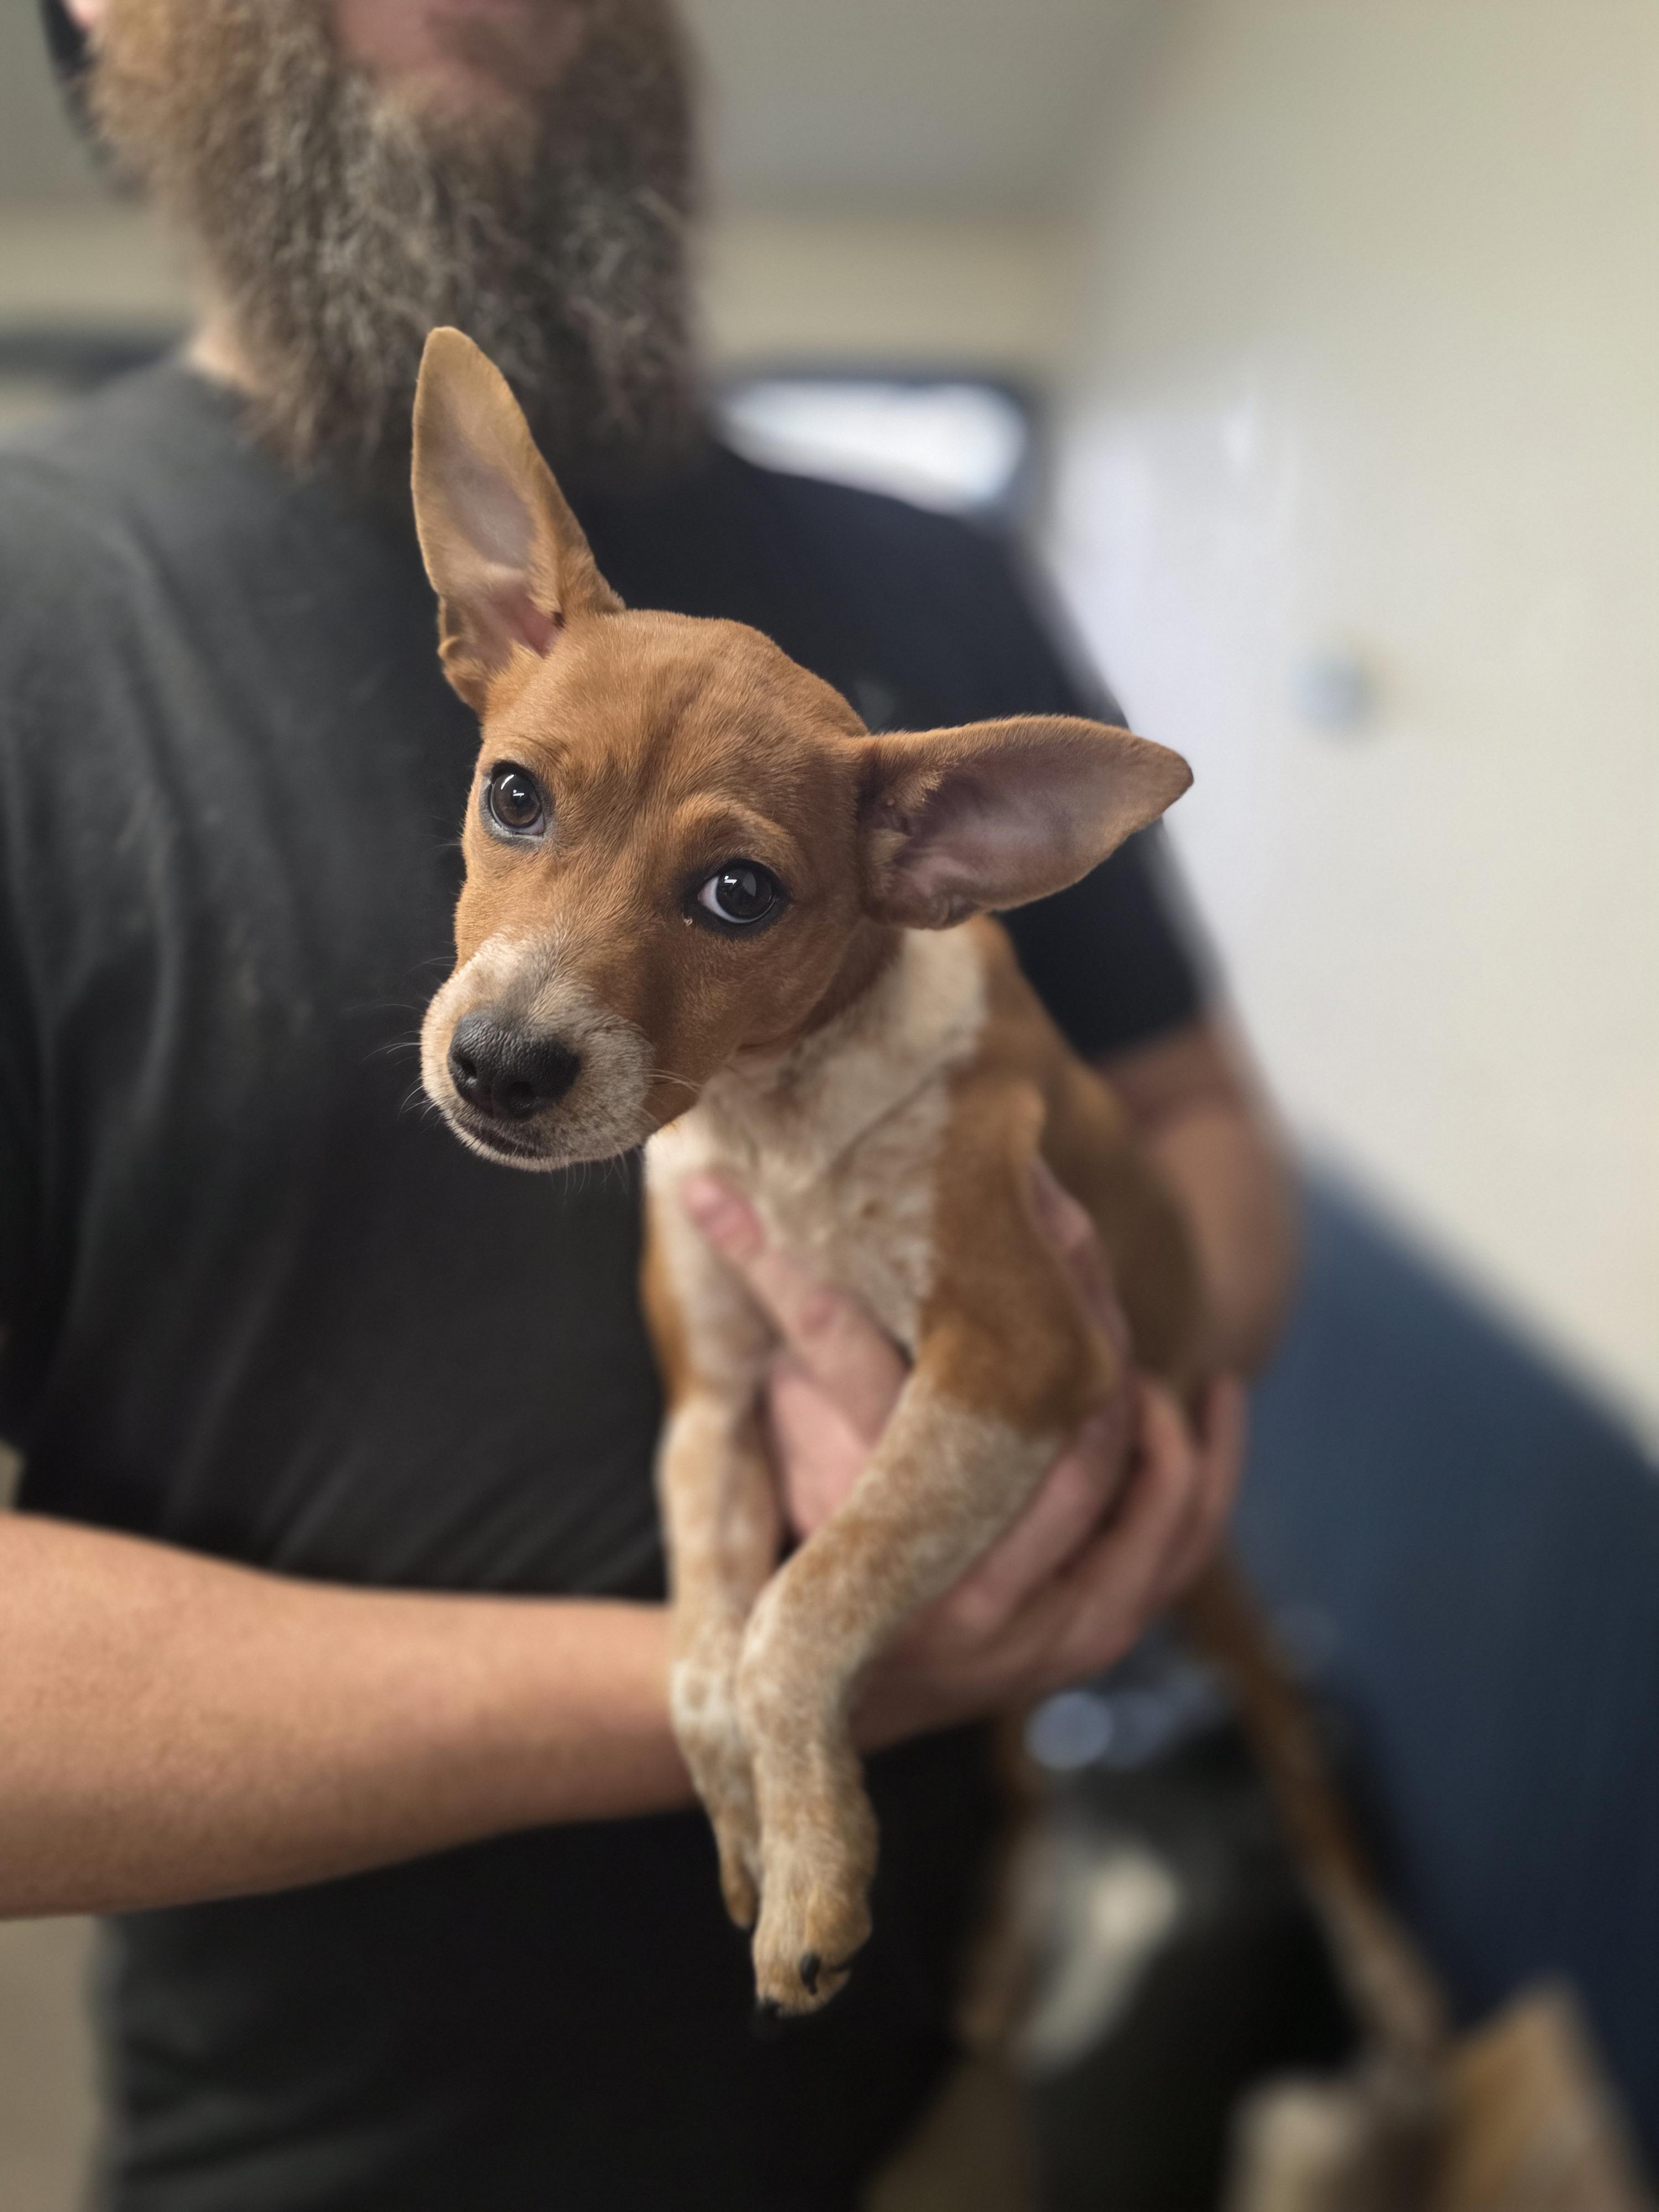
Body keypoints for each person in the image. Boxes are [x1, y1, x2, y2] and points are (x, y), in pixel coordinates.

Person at [0, 2, 1295, 2206]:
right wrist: (761, 1687)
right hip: (330, 2155)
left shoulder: (936, 588)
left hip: (927, 2093)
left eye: (725, 890)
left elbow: (1208, 1153)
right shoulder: (45, 620)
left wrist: (1096, 1405)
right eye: (513, 806)